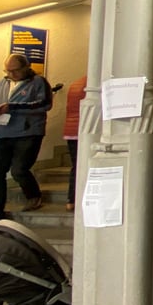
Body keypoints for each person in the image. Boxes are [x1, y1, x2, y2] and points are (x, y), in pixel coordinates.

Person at [0, 54, 53, 221]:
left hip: (28, 132)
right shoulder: (3, 83)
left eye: (15, 71)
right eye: (8, 71)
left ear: (26, 67)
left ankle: (33, 195)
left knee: (19, 169)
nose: (11, 74)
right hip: (3, 132)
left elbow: (45, 104)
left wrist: (13, 106)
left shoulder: (38, 82)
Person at [63, 75, 87, 212]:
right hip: (83, 130)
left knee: (76, 166)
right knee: (82, 166)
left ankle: (71, 200)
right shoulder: (92, 84)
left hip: (71, 130)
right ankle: (77, 199)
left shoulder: (76, 83)